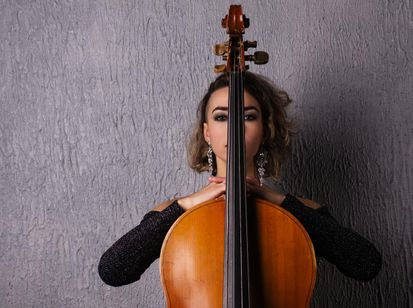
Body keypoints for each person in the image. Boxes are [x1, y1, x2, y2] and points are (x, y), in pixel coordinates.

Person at [98, 72, 382, 287]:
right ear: (207, 132)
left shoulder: (294, 213)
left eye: (247, 116)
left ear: (266, 129)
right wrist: (184, 206)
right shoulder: (179, 214)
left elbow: (365, 264)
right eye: (222, 118)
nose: (234, 127)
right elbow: (113, 271)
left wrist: (280, 201)